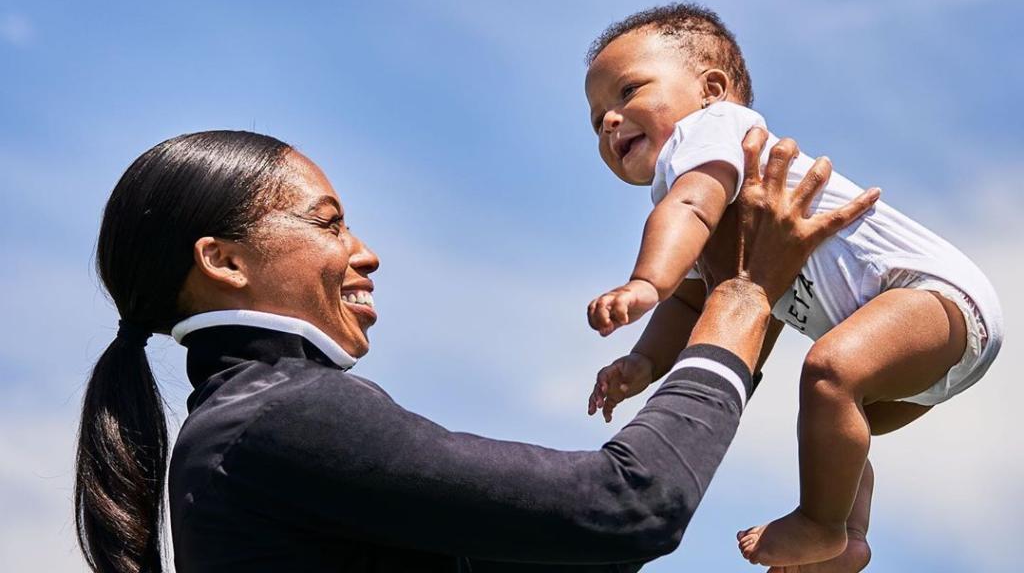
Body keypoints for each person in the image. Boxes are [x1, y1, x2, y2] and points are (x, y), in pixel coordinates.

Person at [73, 129, 874, 573]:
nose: (365, 252)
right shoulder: (281, 416)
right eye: (327, 222)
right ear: (224, 261)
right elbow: (626, 507)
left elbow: (573, 549)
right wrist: (740, 302)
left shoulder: (249, 426)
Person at [582, 3, 1003, 572]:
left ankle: (819, 523)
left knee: (829, 373)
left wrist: (642, 283)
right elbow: (694, 298)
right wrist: (643, 362)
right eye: (597, 118)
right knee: (833, 423)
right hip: (918, 354)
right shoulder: (692, 204)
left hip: (932, 297)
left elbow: (689, 207)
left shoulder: (714, 132)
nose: (609, 120)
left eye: (628, 91)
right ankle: (849, 538)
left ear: (711, 89)